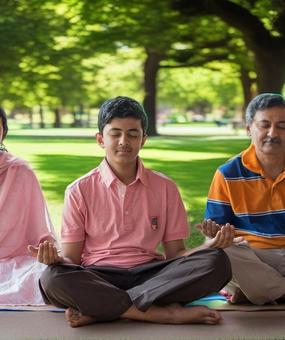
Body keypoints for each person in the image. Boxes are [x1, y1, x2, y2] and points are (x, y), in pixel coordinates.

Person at [33, 96, 233, 327]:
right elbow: (73, 259)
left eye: (132, 134)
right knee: (52, 278)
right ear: (100, 139)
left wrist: (208, 245)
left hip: (152, 273)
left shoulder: (165, 187)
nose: (123, 141)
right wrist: (55, 259)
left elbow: (175, 253)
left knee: (217, 262)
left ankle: (103, 309)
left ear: (144, 139)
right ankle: (158, 313)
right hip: (99, 275)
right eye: (115, 133)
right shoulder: (78, 190)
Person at [203, 93, 285, 305]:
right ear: (249, 128)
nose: (273, 133)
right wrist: (217, 236)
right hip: (251, 257)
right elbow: (216, 234)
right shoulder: (228, 173)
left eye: (282, 126)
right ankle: (268, 290)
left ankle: (259, 292)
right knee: (220, 251)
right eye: (264, 125)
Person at [0, 107, 56, 305]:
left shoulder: (21, 171)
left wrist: (47, 251)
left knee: (44, 275)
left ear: (3, 131)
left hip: (18, 260)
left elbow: (39, 232)